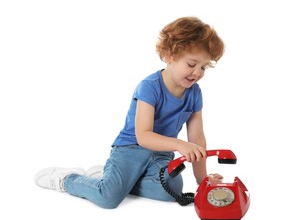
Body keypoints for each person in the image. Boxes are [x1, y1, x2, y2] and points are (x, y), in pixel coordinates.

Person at [34, 16, 225, 209]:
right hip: (131, 149)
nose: (197, 73)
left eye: (203, 67)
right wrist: (179, 144)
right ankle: (67, 180)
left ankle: (113, 179)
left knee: (171, 190)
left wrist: (203, 181)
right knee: (108, 198)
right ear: (169, 55)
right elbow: (143, 136)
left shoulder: (195, 94)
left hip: (161, 155)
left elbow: (197, 139)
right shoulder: (149, 87)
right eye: (192, 65)